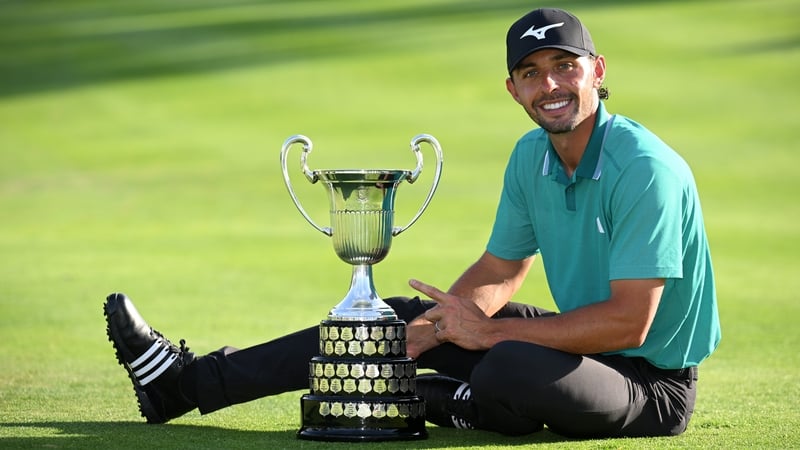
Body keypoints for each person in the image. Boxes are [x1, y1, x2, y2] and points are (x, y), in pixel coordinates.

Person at [104, 7, 720, 438]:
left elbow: (629, 321)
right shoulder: (531, 155)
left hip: (651, 384)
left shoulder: (644, 169)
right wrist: (437, 328)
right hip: (575, 352)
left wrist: (487, 335)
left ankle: (444, 401)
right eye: (531, 73)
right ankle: (184, 385)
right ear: (512, 89)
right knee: (392, 318)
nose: (550, 84)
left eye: (565, 65)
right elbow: (500, 268)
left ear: (597, 70)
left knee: (508, 365)